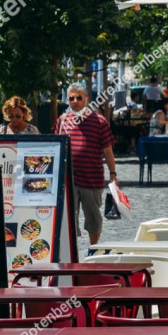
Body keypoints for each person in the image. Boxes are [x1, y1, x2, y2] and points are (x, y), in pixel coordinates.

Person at [54, 82, 118, 246]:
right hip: (68, 181)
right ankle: (71, 252)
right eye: (71, 98)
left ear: (86, 99)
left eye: (79, 97)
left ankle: (93, 249)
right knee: (68, 219)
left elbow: (108, 150)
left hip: (92, 179)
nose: (75, 101)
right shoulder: (61, 121)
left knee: (93, 219)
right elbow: (54, 147)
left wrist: (113, 174)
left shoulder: (99, 121)